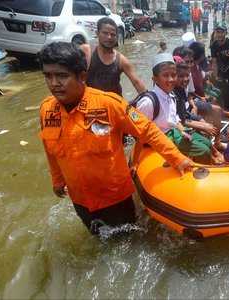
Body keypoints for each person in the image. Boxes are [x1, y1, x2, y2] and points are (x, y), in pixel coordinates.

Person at [37, 42, 193, 234]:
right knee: (97, 240)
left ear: (82, 76)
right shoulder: (47, 110)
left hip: (115, 199)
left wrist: (177, 159)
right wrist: (57, 180)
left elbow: (147, 130)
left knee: (127, 239)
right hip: (80, 200)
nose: (53, 83)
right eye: (48, 76)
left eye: (61, 76)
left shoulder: (109, 104)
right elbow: (50, 147)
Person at [134, 53, 216, 165]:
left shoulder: (171, 95)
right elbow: (140, 132)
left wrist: (183, 132)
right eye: (165, 75)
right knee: (203, 151)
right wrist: (135, 163)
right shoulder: (148, 102)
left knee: (207, 142)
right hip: (161, 138)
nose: (171, 79)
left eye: (173, 75)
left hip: (175, 132)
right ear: (155, 79)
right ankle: (203, 172)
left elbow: (175, 119)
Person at [172, 57, 225, 164]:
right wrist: (202, 126)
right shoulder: (174, 95)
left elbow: (184, 113)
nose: (185, 79)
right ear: (174, 77)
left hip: (185, 117)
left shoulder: (181, 90)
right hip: (177, 127)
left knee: (207, 128)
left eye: (187, 75)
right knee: (205, 134)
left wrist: (200, 120)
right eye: (181, 76)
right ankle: (211, 158)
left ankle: (214, 153)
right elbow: (178, 120)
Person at [80, 17, 146, 97]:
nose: (109, 37)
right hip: (90, 103)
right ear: (97, 33)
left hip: (114, 105)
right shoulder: (86, 51)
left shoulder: (122, 60)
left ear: (117, 37)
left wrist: (148, 99)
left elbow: (137, 83)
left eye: (113, 34)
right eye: (105, 33)